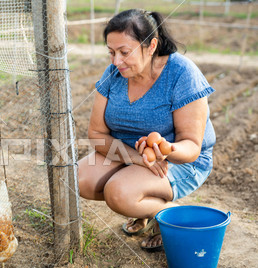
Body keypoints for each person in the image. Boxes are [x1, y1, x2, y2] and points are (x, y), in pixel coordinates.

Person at [78, 9, 216, 251]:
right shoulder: (113, 74)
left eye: (124, 52)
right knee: (80, 180)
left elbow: (192, 147)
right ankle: (148, 207)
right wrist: (136, 159)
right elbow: (96, 134)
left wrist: (165, 148)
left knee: (119, 193)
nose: (115, 62)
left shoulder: (182, 74)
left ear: (151, 46)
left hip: (178, 160)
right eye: (111, 52)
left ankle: (172, 219)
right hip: (132, 154)